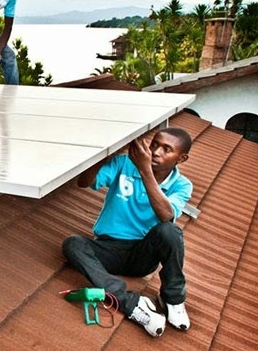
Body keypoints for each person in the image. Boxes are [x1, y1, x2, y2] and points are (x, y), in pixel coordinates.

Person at [62, 127, 194, 338]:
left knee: (170, 231)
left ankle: (173, 299)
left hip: (143, 254)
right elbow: (83, 182)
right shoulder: (124, 164)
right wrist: (106, 154)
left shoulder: (182, 185)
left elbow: (166, 216)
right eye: (155, 145)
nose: (156, 152)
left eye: (166, 149)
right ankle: (131, 305)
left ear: (182, 158)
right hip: (109, 249)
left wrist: (145, 171)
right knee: (73, 244)